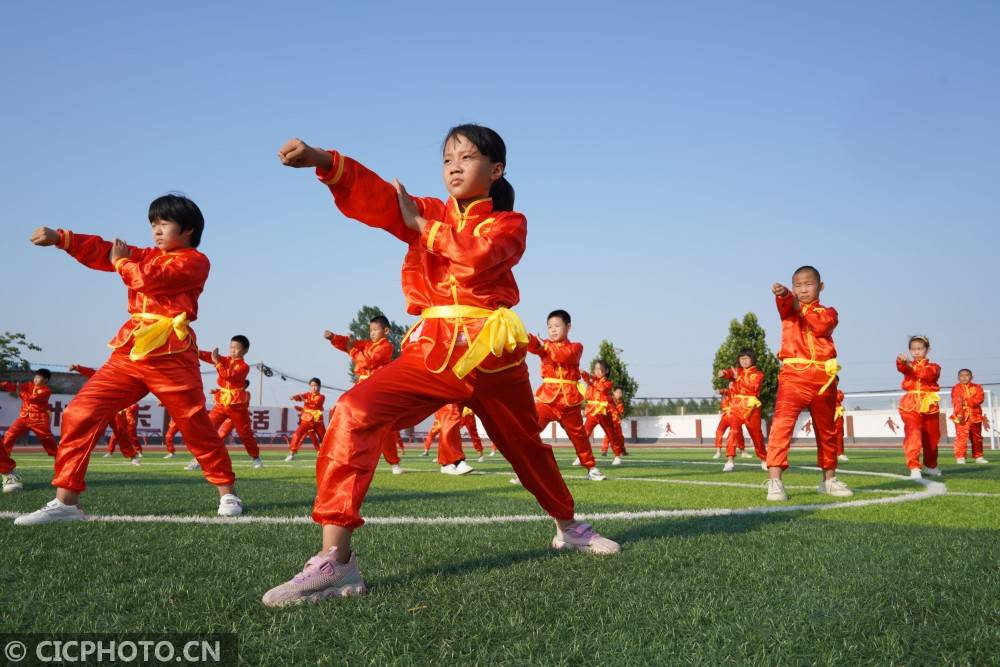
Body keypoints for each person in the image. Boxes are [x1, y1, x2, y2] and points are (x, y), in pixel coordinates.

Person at [263, 126, 618, 607]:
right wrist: (325, 161)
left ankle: (569, 527)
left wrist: (424, 228)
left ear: (495, 171)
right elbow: (380, 201)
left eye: (467, 158)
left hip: (493, 354)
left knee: (526, 447)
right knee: (352, 411)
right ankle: (335, 560)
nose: (454, 166)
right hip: (433, 351)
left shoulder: (509, 223)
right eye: (448, 158)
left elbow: (479, 256)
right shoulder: (426, 209)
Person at [17, 195, 242, 525]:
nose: (156, 230)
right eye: (153, 224)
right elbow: (103, 250)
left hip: (172, 356)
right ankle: (66, 502)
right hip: (131, 351)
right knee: (79, 413)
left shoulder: (196, 261)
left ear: (188, 230)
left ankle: (227, 492)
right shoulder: (145, 255)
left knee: (195, 425)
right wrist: (61, 238)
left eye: (164, 223)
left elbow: (150, 279)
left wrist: (122, 263)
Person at [764, 266, 852, 501]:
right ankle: (775, 481)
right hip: (794, 377)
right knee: (781, 426)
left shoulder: (829, 313)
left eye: (808, 284)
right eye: (798, 285)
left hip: (823, 379)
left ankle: (829, 481)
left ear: (820, 286)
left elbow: (822, 327)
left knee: (827, 431)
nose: (803, 290)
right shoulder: (788, 309)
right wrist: (784, 295)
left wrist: (797, 305)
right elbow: (786, 304)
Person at [527, 310, 605, 481]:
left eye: (557, 326)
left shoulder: (576, 347)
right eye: (549, 327)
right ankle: (526, 470)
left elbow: (565, 355)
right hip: (547, 399)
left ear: (568, 327)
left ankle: (591, 468)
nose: (553, 330)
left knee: (579, 437)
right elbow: (532, 344)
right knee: (529, 430)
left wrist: (544, 345)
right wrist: (523, 336)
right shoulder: (544, 346)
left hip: (570, 402)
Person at [325, 315, 403, 475]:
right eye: (370, 330)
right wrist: (333, 337)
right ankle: (342, 455)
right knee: (340, 410)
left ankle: (394, 463)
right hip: (361, 388)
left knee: (383, 429)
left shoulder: (386, 346)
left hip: (375, 389)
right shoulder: (367, 344)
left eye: (375, 330)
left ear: (386, 331)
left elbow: (368, 362)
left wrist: (352, 351)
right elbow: (350, 342)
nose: (372, 333)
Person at [200, 338, 264, 468]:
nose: (233, 350)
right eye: (231, 347)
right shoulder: (225, 360)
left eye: (237, 348)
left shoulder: (244, 367)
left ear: (245, 350)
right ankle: (201, 459)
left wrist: (217, 363)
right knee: (207, 429)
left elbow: (229, 376)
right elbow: (210, 356)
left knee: (245, 434)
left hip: (237, 405)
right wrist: (194, 350)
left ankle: (256, 458)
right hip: (222, 403)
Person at [0, 369, 57, 493]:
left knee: (48, 440)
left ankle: (59, 458)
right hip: (24, 417)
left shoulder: (46, 391)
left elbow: (32, 399)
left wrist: (19, 391)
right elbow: (16, 387)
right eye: (35, 377)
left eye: (39, 377)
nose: (35, 379)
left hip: (39, 420)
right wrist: (4, 385)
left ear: (45, 380)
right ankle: (4, 460)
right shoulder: (29, 385)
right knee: (9, 434)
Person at [896, 336, 942, 479]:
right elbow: (902, 368)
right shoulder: (908, 365)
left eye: (920, 348)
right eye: (913, 349)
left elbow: (926, 374)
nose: (916, 352)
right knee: (913, 433)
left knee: (932, 437)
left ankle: (930, 465)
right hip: (910, 404)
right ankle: (914, 467)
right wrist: (901, 362)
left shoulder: (934, 367)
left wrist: (910, 366)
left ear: (927, 349)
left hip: (929, 404)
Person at [718, 349, 767, 471]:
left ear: (752, 359)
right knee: (733, 431)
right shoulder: (738, 371)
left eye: (746, 358)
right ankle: (730, 460)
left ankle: (764, 459)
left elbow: (752, 387)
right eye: (741, 359)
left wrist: (738, 378)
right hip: (736, 406)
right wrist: (723, 373)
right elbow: (729, 373)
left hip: (751, 406)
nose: (744, 361)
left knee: (756, 435)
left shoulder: (758, 374)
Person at [582, 360, 624, 466]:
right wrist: (583, 373)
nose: (597, 371)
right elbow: (586, 378)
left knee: (611, 434)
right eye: (595, 369)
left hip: (604, 411)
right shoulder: (592, 381)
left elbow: (601, 387)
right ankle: (581, 456)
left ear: (606, 371)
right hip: (593, 412)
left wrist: (590, 379)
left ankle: (617, 456)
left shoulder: (608, 383)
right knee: (584, 434)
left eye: (599, 369)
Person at [951, 369, 990, 464]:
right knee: (961, 437)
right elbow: (957, 401)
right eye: (962, 375)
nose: (964, 377)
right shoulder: (956, 388)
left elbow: (979, 399)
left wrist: (965, 401)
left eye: (967, 375)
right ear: (958, 378)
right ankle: (960, 457)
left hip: (975, 416)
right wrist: (959, 414)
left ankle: (979, 456)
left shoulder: (978, 387)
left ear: (971, 377)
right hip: (961, 417)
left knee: (977, 437)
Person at [286, 378, 327, 461]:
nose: (313, 388)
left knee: (323, 438)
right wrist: (294, 397)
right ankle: (291, 453)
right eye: (312, 386)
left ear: (319, 387)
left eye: (315, 386)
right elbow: (300, 396)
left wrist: (304, 400)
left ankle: (324, 453)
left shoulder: (321, 397)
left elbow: (315, 404)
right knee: (297, 434)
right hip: (306, 419)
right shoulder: (307, 394)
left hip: (317, 420)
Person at [834, 385, 848, 463]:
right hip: (828, 413)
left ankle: (840, 453)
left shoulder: (838, 392)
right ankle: (832, 453)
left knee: (839, 434)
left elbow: (840, 397)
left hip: (838, 413)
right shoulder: (823, 391)